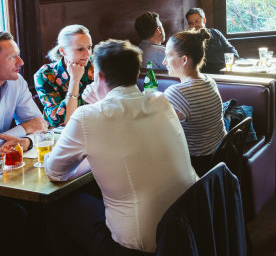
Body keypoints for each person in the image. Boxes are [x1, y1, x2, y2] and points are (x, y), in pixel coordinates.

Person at [44, 39, 197, 255]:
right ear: (136, 74)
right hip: (187, 226)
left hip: (139, 244)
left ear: (99, 76)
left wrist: (98, 104)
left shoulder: (88, 116)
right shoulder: (160, 101)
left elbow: (55, 172)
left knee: (55, 204)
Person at [0, 31, 48, 254]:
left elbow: (40, 123)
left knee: (41, 209)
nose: (21, 62)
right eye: (12, 57)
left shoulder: (16, 82)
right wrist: (23, 130)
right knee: (17, 215)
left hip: (6, 172)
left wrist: (26, 140)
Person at [163, 29, 226, 176]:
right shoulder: (209, 80)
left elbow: (159, 130)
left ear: (184, 60)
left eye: (168, 55)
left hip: (197, 165)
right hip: (219, 156)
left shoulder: (176, 92)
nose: (164, 61)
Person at [34, 24, 93, 127]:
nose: (88, 54)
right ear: (62, 50)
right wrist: (74, 80)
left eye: (89, 47)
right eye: (80, 49)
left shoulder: (96, 68)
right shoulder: (44, 75)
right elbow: (63, 121)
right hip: (60, 135)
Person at [185, 8, 239, 73]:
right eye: (191, 23)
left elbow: (232, 52)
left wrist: (228, 69)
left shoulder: (215, 33)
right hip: (205, 76)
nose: (194, 25)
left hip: (224, 72)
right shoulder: (188, 41)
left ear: (204, 20)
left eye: (197, 21)